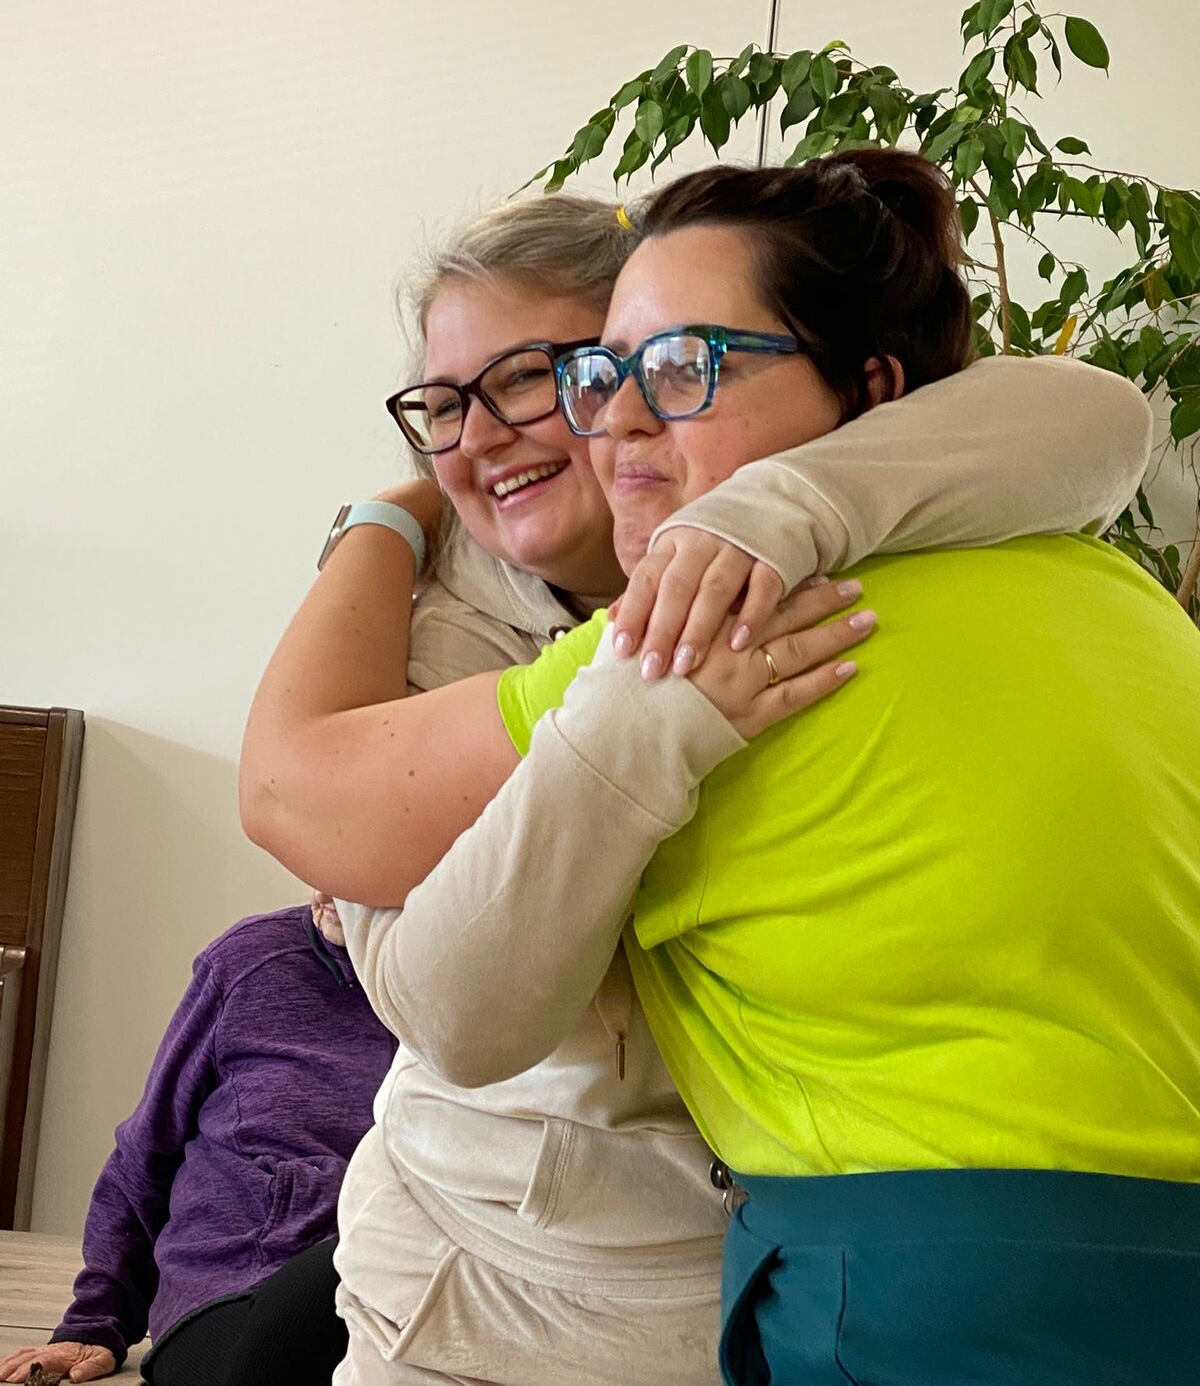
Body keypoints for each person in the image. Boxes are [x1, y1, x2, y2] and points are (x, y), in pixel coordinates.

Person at [240, 179, 1154, 1386]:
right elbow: (413, 961)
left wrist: (784, 506)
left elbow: (1096, 416)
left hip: (756, 1271)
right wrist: (384, 522)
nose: (482, 435)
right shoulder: (434, 637)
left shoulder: (849, 538)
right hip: (498, 1275)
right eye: (444, 406)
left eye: (531, 377)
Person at [0, 895, 395, 1386]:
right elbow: (148, 1148)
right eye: (321, 861)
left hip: (398, 1305)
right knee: (346, 1270)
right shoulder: (252, 961)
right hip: (237, 1291)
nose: (326, 889)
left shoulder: (470, 1002)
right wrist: (97, 1320)